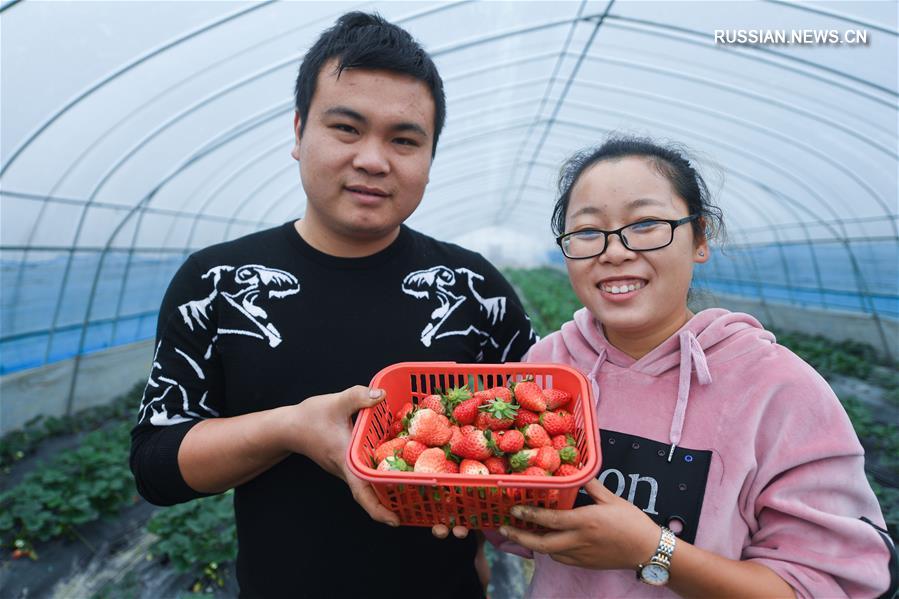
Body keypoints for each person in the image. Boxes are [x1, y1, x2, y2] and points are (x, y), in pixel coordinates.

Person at [129, 12, 536, 598]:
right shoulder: (218, 282)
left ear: (429, 156)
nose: (374, 159)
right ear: (298, 133)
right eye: (346, 128)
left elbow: (535, 438)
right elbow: (157, 466)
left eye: (404, 139)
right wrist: (289, 428)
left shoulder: (472, 287)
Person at [478, 137, 896, 597]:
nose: (614, 251)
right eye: (588, 231)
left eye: (646, 224)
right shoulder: (546, 367)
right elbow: (512, 515)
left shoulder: (779, 390)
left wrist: (652, 550)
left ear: (700, 238)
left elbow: (822, 588)